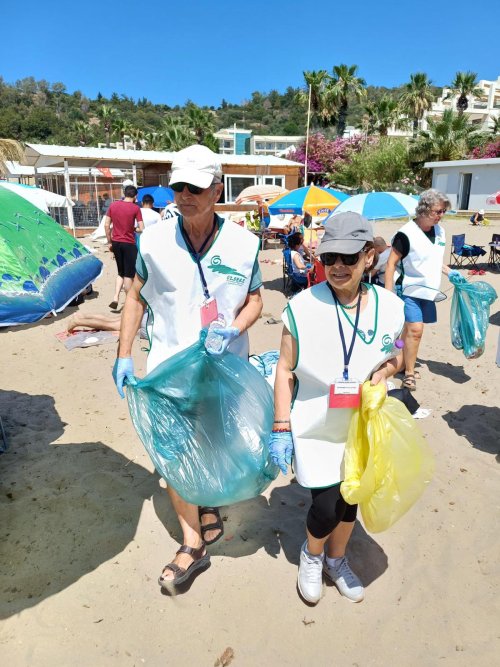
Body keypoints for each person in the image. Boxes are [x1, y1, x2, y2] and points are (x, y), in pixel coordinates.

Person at [112, 144, 263, 590]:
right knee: (175, 452)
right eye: (178, 186)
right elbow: (135, 298)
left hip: (223, 367)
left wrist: (234, 329)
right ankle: (192, 543)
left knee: (213, 443)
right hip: (169, 369)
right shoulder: (154, 240)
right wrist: (124, 354)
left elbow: (255, 301)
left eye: (196, 188)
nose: (185, 195)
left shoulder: (244, 244)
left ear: (218, 189)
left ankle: (207, 500)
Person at [269, 212, 405, 605]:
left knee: (351, 499)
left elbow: (397, 355)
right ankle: (312, 554)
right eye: (330, 258)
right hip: (316, 423)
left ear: (369, 256)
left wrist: (385, 371)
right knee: (328, 505)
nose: (338, 266)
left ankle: (336, 558)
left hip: (363, 424)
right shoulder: (302, 307)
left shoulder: (390, 307)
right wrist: (281, 426)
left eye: (349, 257)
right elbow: (284, 368)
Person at [384, 189, 458, 392]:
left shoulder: (440, 232)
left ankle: (398, 362)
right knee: (416, 331)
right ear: (424, 210)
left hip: (429, 291)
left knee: (407, 332)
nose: (441, 215)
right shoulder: (405, 234)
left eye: (443, 211)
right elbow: (390, 264)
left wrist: (451, 273)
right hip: (408, 290)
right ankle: (409, 373)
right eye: (438, 211)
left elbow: (433, 260)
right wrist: (388, 294)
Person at [104, 185, 144, 311]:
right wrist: (133, 228)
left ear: (124, 193)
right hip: (129, 243)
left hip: (116, 242)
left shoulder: (113, 205)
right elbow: (142, 228)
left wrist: (109, 242)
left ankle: (115, 297)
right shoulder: (136, 208)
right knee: (128, 275)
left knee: (120, 272)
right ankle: (129, 302)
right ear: (135, 196)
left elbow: (106, 225)